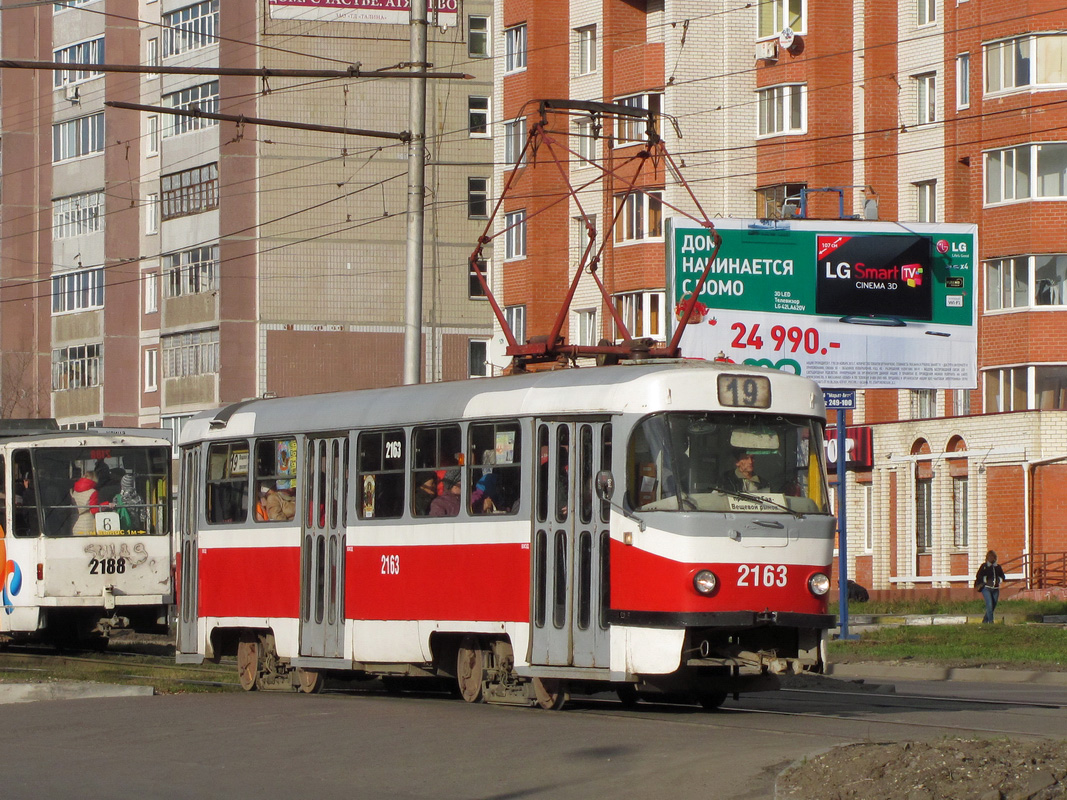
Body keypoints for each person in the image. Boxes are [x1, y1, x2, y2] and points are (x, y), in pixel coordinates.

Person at [975, 550, 1007, 624]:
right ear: (987, 558)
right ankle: (991, 622)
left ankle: (985, 621)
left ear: (995, 558)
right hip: (986, 588)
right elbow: (979, 575)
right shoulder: (984, 566)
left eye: (992, 557)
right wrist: (985, 579)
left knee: (993, 605)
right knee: (989, 604)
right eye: (989, 557)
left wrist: (999, 580)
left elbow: (1002, 576)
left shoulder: (998, 567)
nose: (991, 558)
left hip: (995, 589)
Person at [71, 470, 101, 535]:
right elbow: (93, 510)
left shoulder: (74, 490)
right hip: (87, 522)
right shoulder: (93, 492)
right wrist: (105, 505)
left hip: (75, 521)